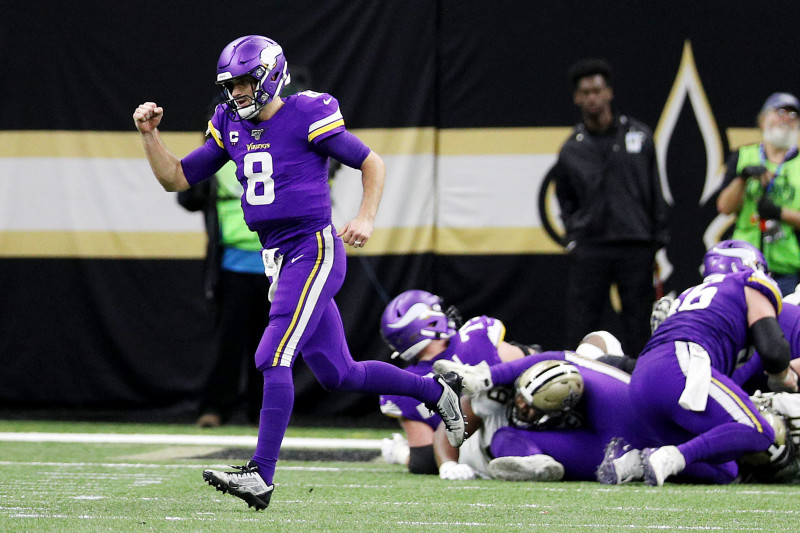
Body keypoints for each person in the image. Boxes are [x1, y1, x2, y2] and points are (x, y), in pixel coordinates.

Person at [132, 35, 466, 511]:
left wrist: (366, 216)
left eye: (247, 82)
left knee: (272, 353)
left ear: (270, 76)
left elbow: (371, 161)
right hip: (279, 258)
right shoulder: (228, 122)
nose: (239, 93)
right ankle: (438, 392)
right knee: (339, 374)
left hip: (313, 248)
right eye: (232, 84)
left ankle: (260, 475)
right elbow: (177, 178)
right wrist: (150, 136)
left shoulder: (308, 113)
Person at [606, 266, 798, 487]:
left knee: (726, 469)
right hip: (681, 362)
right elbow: (774, 352)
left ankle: (634, 461)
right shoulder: (751, 283)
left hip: (645, 375)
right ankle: (669, 458)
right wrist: (782, 376)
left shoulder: (695, 296)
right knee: (760, 431)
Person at [546, 58, 668, 357]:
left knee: (638, 322)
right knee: (582, 321)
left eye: (597, 90)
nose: (591, 97)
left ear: (609, 93)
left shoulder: (638, 135)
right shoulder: (572, 147)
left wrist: (657, 240)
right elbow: (564, 198)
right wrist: (573, 235)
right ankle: (575, 381)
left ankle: (642, 382)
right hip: (591, 247)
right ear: (577, 98)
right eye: (585, 92)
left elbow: (655, 191)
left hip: (635, 244)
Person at [432, 349, 665, 483]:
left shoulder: (583, 406)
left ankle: (536, 463)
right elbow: (452, 422)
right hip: (473, 452)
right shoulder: (497, 395)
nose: (521, 407)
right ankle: (397, 450)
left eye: (531, 408)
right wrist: (448, 463)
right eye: (521, 399)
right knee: (421, 459)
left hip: (538, 451)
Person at [377, 289, 537, 474]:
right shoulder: (476, 336)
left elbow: (425, 460)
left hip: (472, 455)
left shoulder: (402, 386)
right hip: (530, 423)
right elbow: (534, 367)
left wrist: (400, 453)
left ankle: (398, 451)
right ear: (429, 320)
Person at [178, 161, 269, 428]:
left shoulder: (279, 150)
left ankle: (264, 411)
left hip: (277, 267)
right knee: (227, 343)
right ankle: (214, 408)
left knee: (271, 346)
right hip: (230, 267)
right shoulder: (216, 160)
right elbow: (187, 197)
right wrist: (201, 168)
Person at [717, 92, 800, 296]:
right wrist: (742, 178)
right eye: (780, 111)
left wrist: (780, 212)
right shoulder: (744, 155)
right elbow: (724, 207)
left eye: (792, 115)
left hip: (787, 268)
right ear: (763, 119)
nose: (785, 119)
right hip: (744, 264)